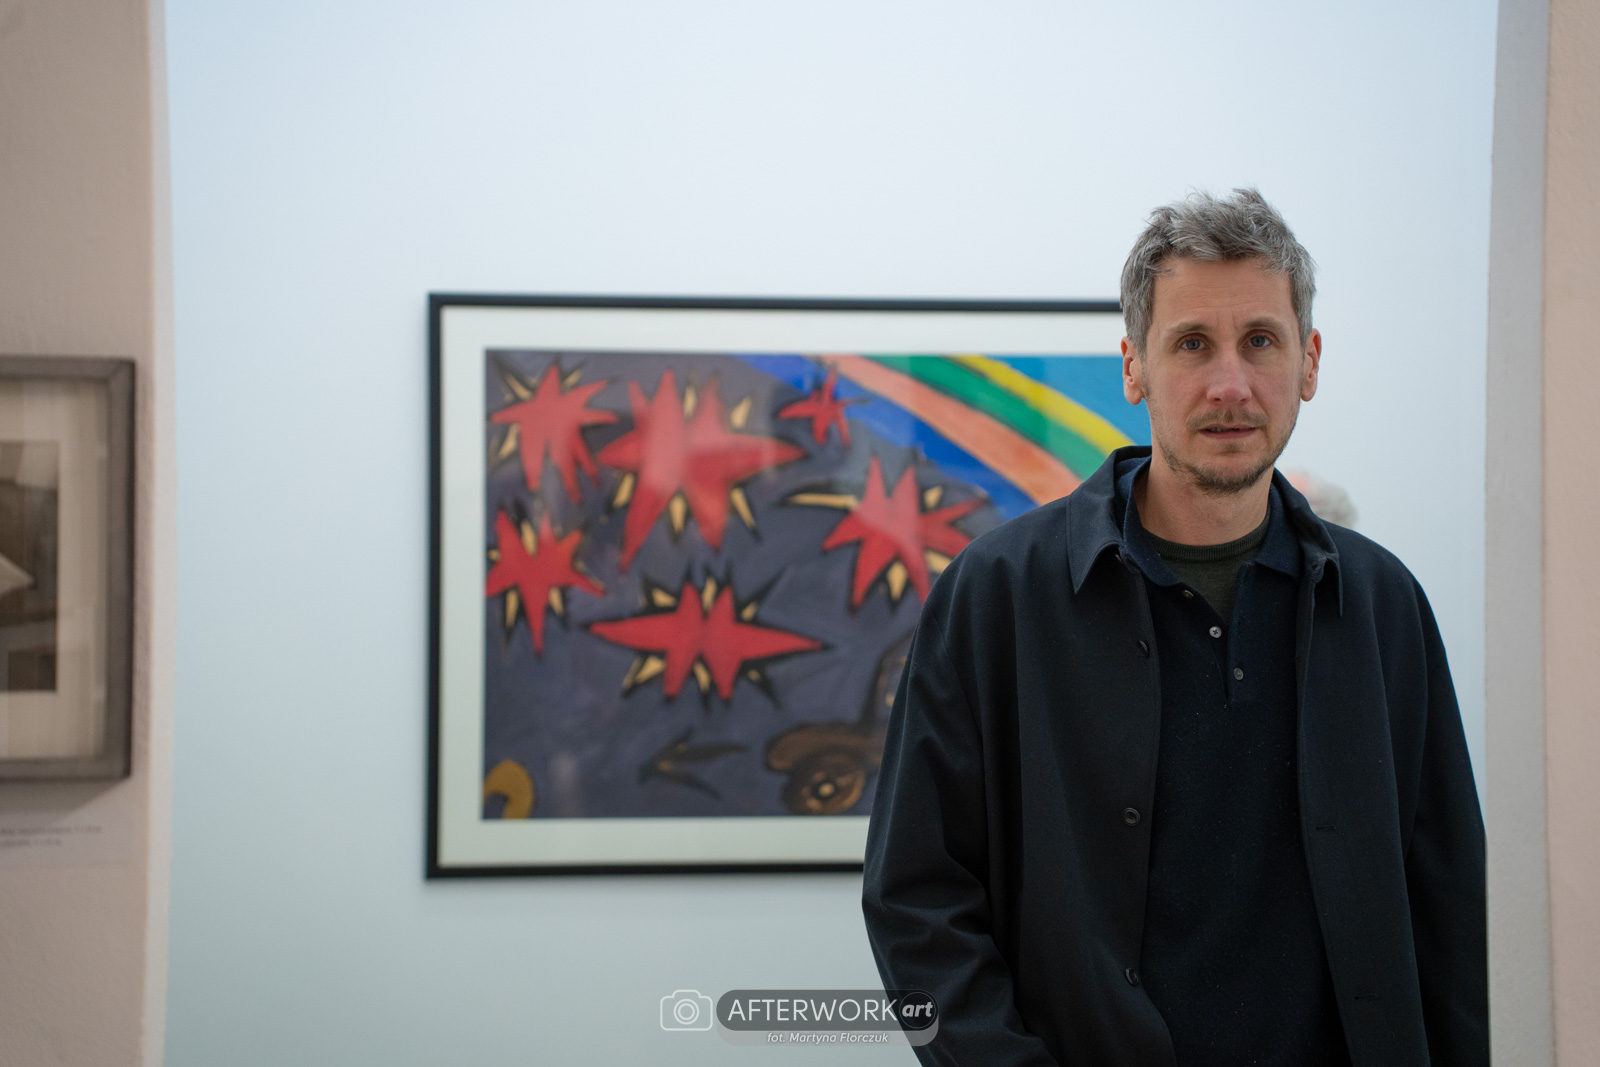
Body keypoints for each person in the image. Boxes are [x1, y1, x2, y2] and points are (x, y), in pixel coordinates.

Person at [861, 189, 1486, 1066]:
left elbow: (1451, 909)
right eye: (1192, 343)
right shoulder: (997, 595)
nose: (1230, 384)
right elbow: (916, 897)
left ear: (1308, 361)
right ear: (1135, 368)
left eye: (1260, 340)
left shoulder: (1384, 605)